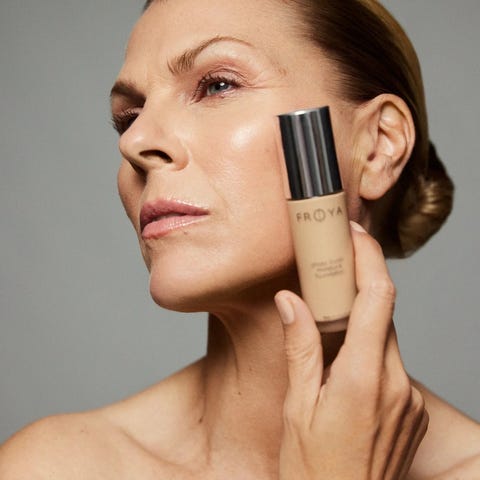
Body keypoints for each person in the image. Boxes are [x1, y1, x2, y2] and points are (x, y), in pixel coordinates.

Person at [1, 0, 479, 478]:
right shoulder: (50, 467)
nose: (135, 142)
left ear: (377, 146)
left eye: (217, 85)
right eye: (129, 116)